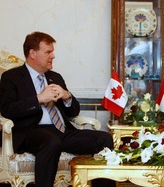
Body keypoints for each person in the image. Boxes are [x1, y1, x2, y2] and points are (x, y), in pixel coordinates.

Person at [0, 31, 114, 187]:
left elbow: (74, 112)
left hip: (62, 131)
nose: (53, 56)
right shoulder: (11, 77)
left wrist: (67, 96)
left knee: (105, 139)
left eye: (52, 52)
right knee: (50, 141)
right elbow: (8, 109)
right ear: (32, 53)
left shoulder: (56, 77)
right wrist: (39, 99)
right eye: (48, 52)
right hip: (31, 132)